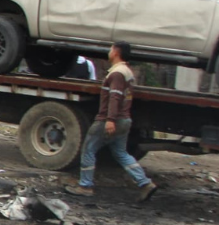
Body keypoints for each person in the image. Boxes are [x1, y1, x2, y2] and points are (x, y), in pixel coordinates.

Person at [65, 42, 158, 202]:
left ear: (116, 52)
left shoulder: (117, 73)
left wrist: (110, 120)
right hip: (125, 119)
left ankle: (85, 186)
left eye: (111, 49)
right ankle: (144, 183)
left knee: (88, 149)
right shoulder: (127, 72)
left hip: (110, 119)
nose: (109, 52)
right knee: (121, 153)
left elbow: (115, 97)